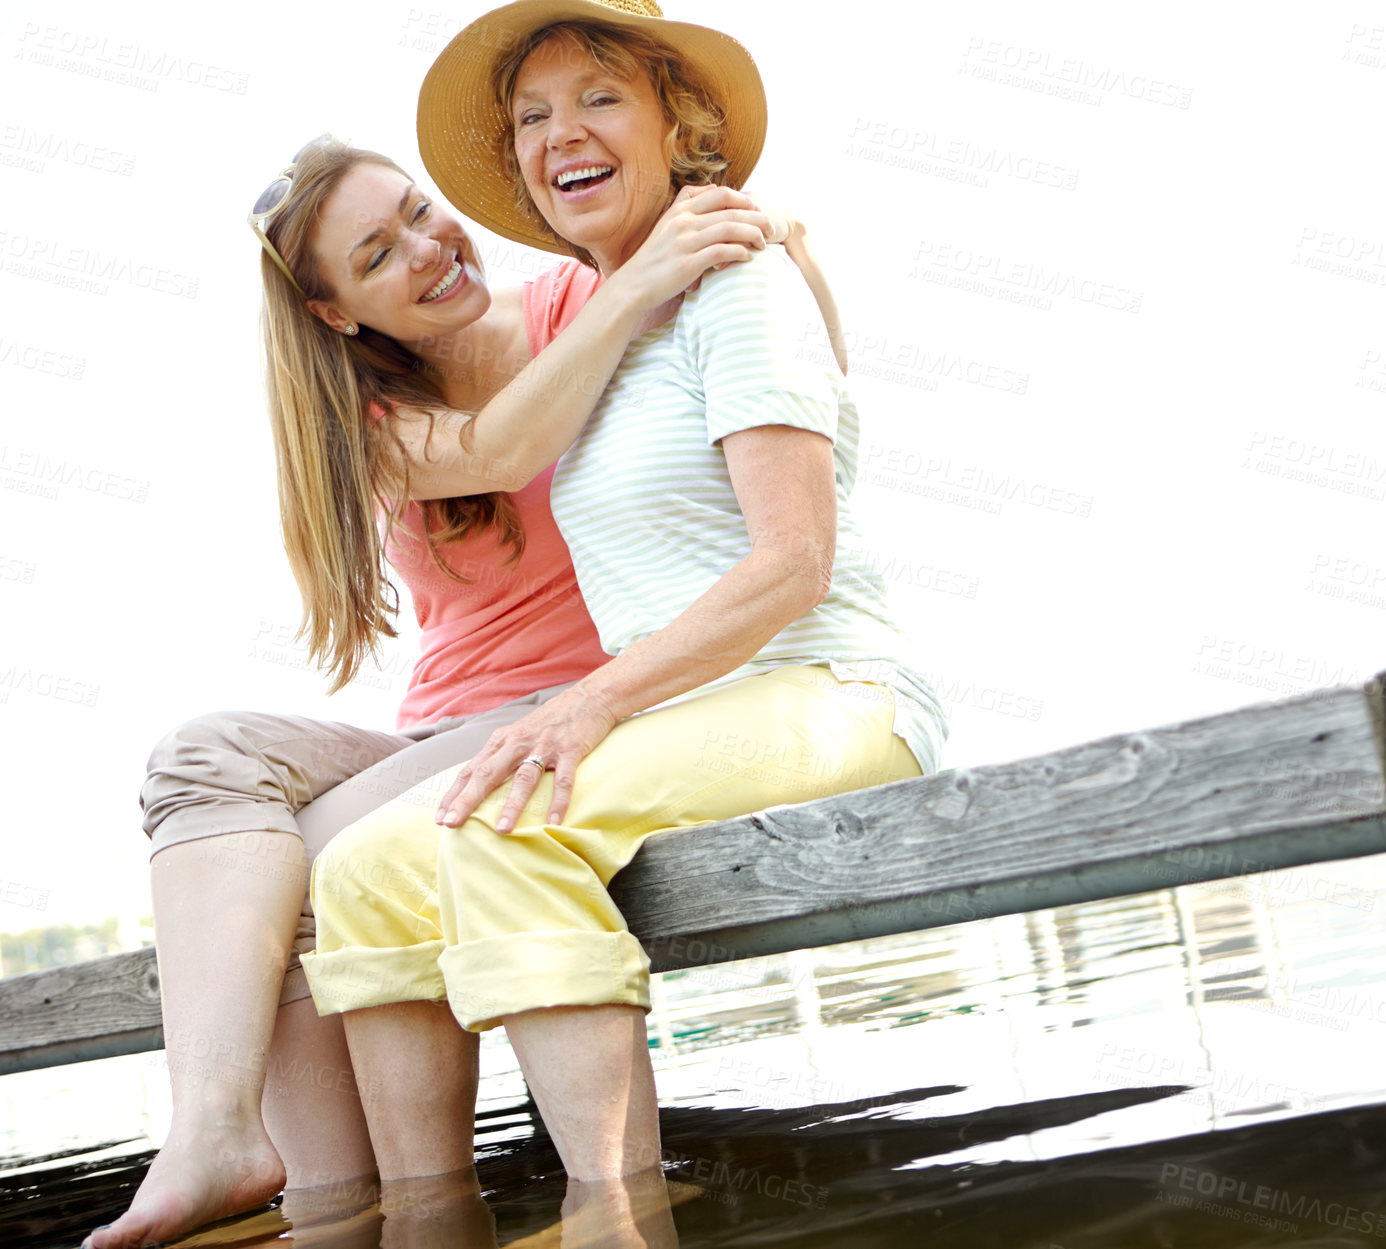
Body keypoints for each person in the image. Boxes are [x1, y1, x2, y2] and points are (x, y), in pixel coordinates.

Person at [82, 132, 846, 1249]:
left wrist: (781, 243)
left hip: (591, 701)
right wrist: (631, 283)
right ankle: (218, 1134)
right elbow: (498, 446)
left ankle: (337, 1206)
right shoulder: (372, 427)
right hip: (447, 727)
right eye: (380, 254)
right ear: (339, 313)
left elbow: (794, 356)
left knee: (312, 872)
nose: (429, 249)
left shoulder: (572, 301)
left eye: (419, 211)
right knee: (202, 754)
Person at [299, 0, 947, 1219]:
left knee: (504, 822)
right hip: (697, 715)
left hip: (833, 691)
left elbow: (792, 563)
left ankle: (615, 1213)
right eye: (533, 117)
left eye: (599, 98)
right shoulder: (595, 333)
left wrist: (584, 706)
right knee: (358, 875)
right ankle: (424, 1223)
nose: (563, 136)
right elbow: (491, 436)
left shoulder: (734, 281)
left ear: (673, 120)